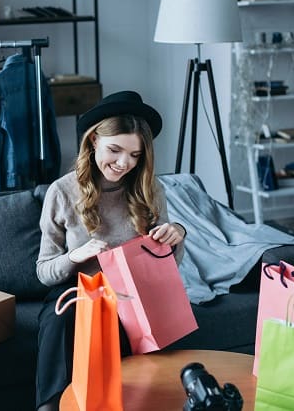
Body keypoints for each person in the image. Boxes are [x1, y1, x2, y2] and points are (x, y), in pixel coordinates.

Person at [35, 90, 187, 411]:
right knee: (63, 318)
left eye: (135, 155)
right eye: (115, 150)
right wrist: (75, 257)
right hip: (79, 293)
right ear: (93, 142)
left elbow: (170, 265)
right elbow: (44, 271)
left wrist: (176, 236)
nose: (123, 163)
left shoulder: (148, 188)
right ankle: (52, 406)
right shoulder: (61, 191)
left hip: (134, 293)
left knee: (141, 321)